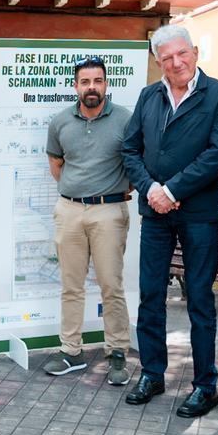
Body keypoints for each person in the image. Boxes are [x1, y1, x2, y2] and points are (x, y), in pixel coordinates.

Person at [122, 25, 218, 418]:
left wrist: (171, 190)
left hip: (198, 215)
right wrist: (151, 188)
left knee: (200, 300)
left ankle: (206, 385)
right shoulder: (148, 95)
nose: (176, 63)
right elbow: (130, 149)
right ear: (158, 62)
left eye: (181, 54)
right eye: (167, 57)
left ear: (195, 52)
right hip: (154, 213)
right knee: (151, 295)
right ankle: (153, 373)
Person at [42, 55, 134, 386]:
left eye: (97, 81)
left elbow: (136, 162)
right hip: (69, 211)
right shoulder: (60, 121)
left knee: (111, 284)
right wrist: (75, 193)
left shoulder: (125, 119)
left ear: (106, 84)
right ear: (76, 86)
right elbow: (57, 163)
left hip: (109, 211)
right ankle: (71, 351)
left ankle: (118, 352)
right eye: (85, 81)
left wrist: (118, 190)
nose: (91, 87)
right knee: (71, 285)